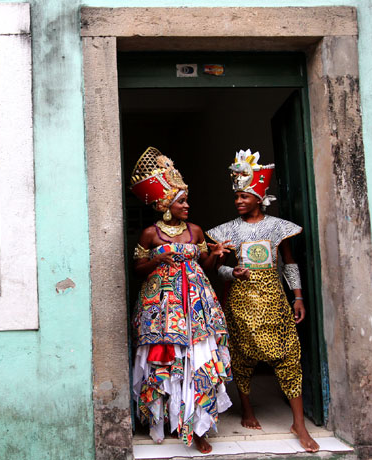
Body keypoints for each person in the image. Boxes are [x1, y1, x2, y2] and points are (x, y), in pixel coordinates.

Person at [206, 149, 320, 452]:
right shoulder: (228, 230)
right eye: (237, 197)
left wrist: (297, 296)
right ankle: (247, 408)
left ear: (259, 197)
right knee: (242, 356)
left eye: (244, 196)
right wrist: (234, 271)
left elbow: (289, 262)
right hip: (241, 301)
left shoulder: (278, 227)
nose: (239, 201)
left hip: (274, 298)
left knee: (287, 354)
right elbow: (217, 267)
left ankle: (299, 423)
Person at [129, 147, 232, 454]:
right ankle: (164, 420)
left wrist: (213, 255)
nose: (187, 205)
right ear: (165, 204)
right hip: (160, 306)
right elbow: (137, 269)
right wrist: (162, 257)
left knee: (197, 355)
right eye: (181, 201)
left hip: (195, 303)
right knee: (165, 358)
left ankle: (197, 426)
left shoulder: (195, 230)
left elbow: (207, 267)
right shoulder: (150, 234)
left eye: (186, 200)